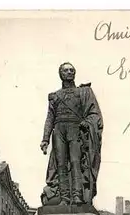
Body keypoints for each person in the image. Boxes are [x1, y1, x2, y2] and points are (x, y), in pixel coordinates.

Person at [40, 62, 103, 206]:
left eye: (71, 70)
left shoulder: (83, 92)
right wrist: (45, 139)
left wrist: (86, 123)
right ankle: (64, 198)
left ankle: (77, 196)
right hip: (59, 130)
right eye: (66, 70)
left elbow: (94, 114)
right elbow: (50, 117)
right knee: (61, 165)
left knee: (75, 162)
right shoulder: (55, 96)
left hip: (75, 129)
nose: (69, 72)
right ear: (60, 74)